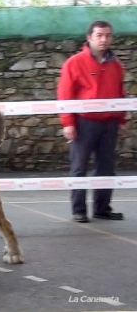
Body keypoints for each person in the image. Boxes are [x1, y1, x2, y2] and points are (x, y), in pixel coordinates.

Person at [57, 20, 126, 223]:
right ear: (89, 38)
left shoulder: (116, 65)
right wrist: (68, 122)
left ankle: (102, 208)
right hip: (83, 123)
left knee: (106, 168)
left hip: (109, 124)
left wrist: (121, 118)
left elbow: (120, 93)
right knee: (79, 168)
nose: (104, 39)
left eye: (107, 35)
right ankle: (79, 210)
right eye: (99, 35)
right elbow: (65, 94)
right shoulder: (74, 63)